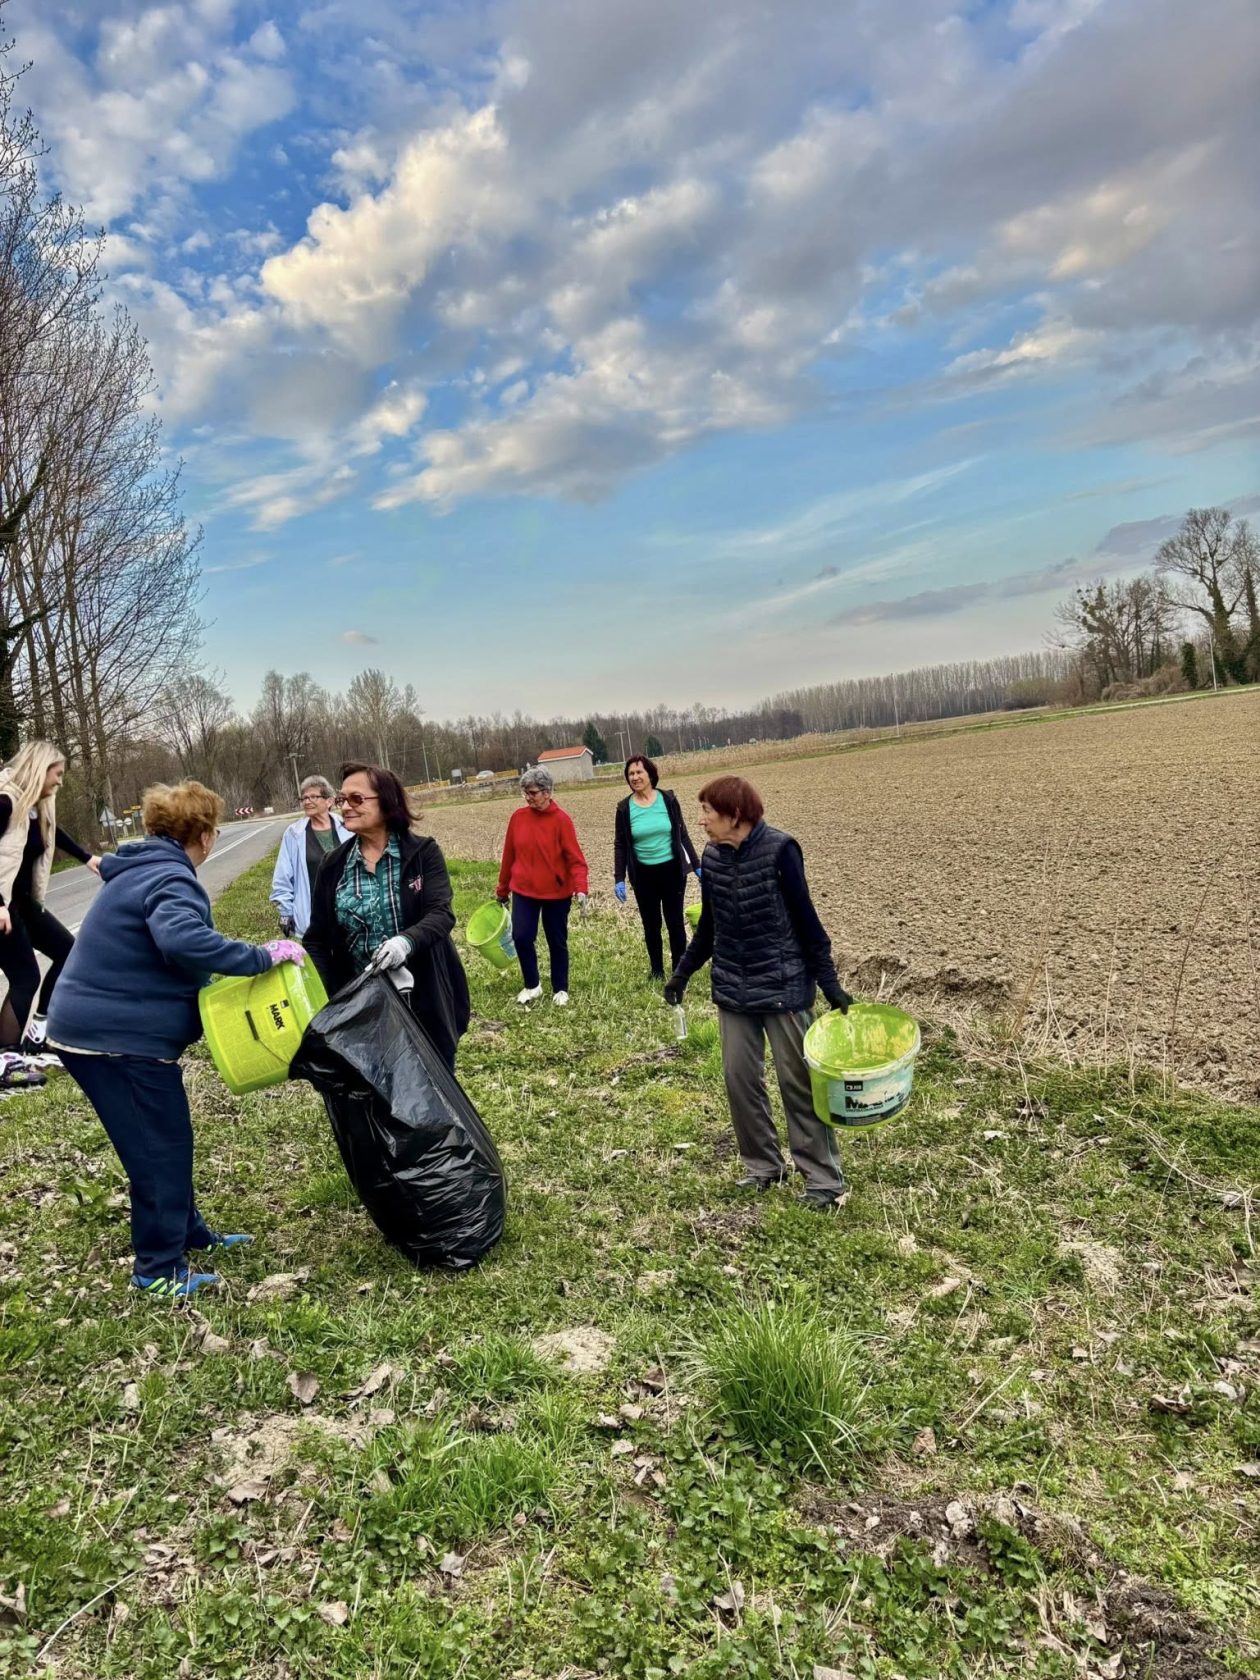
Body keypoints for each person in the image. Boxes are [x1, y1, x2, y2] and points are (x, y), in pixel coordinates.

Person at [46, 780, 304, 1298]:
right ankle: (157, 1268)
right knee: (158, 1148)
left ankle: (190, 1233)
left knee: (166, 1140)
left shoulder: (140, 869)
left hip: (96, 1027)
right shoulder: (170, 877)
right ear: (205, 835)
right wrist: (261, 956)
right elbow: (181, 938)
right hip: (116, 1038)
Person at [663, 775, 853, 1211]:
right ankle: (764, 1166)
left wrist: (830, 985)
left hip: (784, 988)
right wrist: (682, 974)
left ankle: (824, 1180)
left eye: (708, 812)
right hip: (733, 988)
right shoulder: (711, 856)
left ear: (735, 814)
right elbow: (709, 927)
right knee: (739, 1080)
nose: (701, 820)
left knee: (798, 1085)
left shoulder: (782, 851)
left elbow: (809, 925)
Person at [304, 762, 470, 1070]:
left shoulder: (422, 854)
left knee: (433, 1095)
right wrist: (329, 1000)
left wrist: (404, 944)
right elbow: (316, 940)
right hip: (363, 1009)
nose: (345, 808)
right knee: (378, 1099)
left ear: (387, 802)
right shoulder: (332, 866)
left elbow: (441, 914)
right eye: (342, 800)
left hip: (424, 999)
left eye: (356, 799)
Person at [0, 740, 102, 1072]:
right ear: (39, 770)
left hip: (23, 903)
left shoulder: (35, 806)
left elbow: (52, 831)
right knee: (25, 976)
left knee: (68, 952)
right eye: (57, 774)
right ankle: (6, 1059)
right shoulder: (4, 803)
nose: (60, 781)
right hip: (3, 905)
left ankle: (39, 1031)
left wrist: (87, 858)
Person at [496, 767, 589, 1007]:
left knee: (556, 940)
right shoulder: (518, 818)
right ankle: (532, 985)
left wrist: (581, 888)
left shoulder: (561, 821)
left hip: (556, 893)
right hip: (524, 890)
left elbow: (576, 860)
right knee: (521, 936)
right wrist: (502, 889)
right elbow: (509, 855)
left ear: (547, 792)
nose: (528, 797)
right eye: (525, 792)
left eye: (533, 793)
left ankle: (560, 988)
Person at [613, 753, 701, 981]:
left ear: (650, 774)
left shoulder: (668, 800)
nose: (635, 777)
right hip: (643, 875)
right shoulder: (624, 808)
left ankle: (679, 971)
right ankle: (657, 970)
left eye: (639, 772)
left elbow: (682, 834)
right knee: (651, 925)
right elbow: (620, 844)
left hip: (672, 872)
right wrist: (619, 878)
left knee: (674, 923)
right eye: (630, 774)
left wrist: (697, 866)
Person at [269, 775, 350, 938]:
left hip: (349, 914)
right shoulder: (294, 834)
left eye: (313, 796)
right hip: (313, 916)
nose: (307, 801)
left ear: (329, 801)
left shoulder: (347, 827)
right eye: (304, 798)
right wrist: (285, 912)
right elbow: (282, 877)